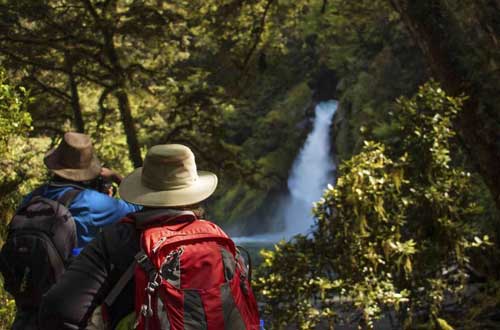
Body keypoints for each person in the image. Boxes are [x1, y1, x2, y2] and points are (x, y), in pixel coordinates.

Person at [39, 144, 259, 330]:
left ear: (144, 191)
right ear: (195, 194)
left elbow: (59, 308)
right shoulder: (217, 239)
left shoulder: (118, 239)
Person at [7, 132, 141, 330]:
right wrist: (117, 178)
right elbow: (140, 211)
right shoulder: (93, 203)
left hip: (28, 300)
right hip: (71, 303)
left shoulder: (32, 198)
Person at [23, 131, 142, 248]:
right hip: (74, 267)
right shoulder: (90, 201)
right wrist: (116, 177)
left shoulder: (34, 196)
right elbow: (139, 209)